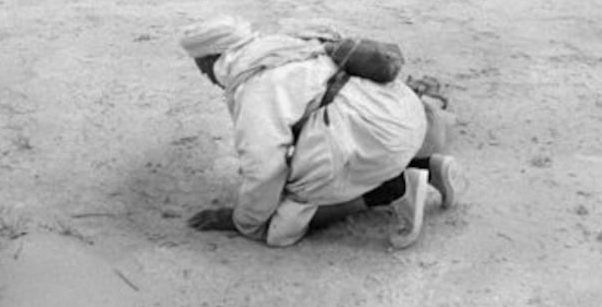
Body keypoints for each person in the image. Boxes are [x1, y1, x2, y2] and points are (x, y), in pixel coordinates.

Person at [180, 16, 463, 249]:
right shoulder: (282, 43)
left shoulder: (254, 86)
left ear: (210, 61)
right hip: (404, 116)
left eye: (203, 70)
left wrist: (242, 220)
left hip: (377, 138)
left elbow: (263, 168)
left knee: (277, 232)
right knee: (310, 161)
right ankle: (426, 167)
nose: (207, 78)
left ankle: (393, 188)